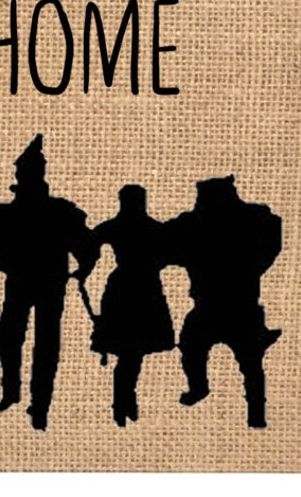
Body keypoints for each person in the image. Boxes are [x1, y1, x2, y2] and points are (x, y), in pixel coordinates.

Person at [0, 135, 96, 431]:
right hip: (28, 282)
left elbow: (86, 246)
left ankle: (38, 404)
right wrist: (82, 267)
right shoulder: (11, 213)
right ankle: (17, 393)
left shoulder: (59, 211)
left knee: (42, 343)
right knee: (13, 336)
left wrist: (83, 268)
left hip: (45, 284)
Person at [164, 175, 283, 428]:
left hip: (227, 306)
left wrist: (256, 265)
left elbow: (167, 244)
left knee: (243, 362)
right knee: (205, 351)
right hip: (229, 306)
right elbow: (167, 245)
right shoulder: (247, 217)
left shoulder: (198, 223)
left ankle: (241, 406)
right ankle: (247, 410)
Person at [81, 185, 176, 426]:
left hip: (129, 288)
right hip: (141, 288)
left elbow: (89, 246)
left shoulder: (118, 226)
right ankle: (124, 399)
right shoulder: (154, 228)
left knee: (130, 351)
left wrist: (83, 270)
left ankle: (123, 399)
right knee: (132, 351)